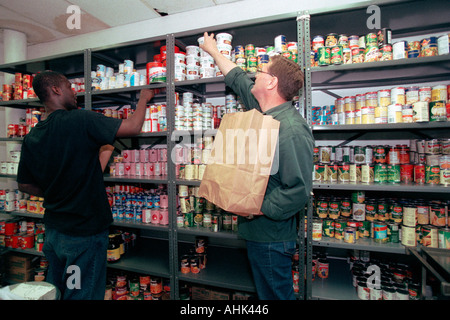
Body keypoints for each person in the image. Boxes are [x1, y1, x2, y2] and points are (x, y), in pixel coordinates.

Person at [16, 70, 154, 300]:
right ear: (56, 90)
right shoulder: (80, 120)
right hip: (83, 235)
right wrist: (143, 99)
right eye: (70, 87)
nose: (75, 92)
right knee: (81, 293)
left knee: (56, 290)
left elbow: (25, 185)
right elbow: (132, 128)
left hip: (54, 233)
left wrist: (55, 192)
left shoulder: (33, 135)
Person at [200, 32, 314, 300]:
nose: (255, 75)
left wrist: (253, 204)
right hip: (258, 234)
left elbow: (297, 191)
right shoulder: (263, 112)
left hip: (271, 238)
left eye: (261, 72)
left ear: (272, 82)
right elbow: (238, 79)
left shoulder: (291, 129)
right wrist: (214, 51)